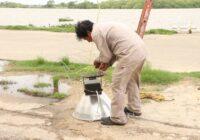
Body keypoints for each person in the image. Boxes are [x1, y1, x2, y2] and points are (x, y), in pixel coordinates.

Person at [75, 20, 146, 125]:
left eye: (86, 39)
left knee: (117, 85)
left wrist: (98, 61)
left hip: (129, 54)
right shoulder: (103, 27)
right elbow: (112, 52)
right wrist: (106, 63)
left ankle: (117, 118)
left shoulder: (96, 33)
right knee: (132, 81)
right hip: (141, 51)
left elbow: (106, 56)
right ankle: (134, 108)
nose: (89, 41)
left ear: (88, 33)